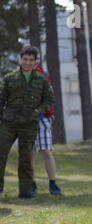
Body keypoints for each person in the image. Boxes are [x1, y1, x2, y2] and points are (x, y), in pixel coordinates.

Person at [0, 46, 54, 199]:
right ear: (20, 59)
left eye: (31, 60)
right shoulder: (10, 78)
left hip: (29, 124)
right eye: (25, 59)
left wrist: (38, 110)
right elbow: (1, 99)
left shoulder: (41, 80)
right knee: (1, 151)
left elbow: (49, 100)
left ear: (36, 61)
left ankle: (25, 191)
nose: (28, 63)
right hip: (8, 123)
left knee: (25, 157)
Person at [30, 49, 62, 196]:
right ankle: (31, 185)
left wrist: (44, 113)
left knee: (46, 151)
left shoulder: (44, 75)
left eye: (35, 59)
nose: (32, 62)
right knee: (29, 153)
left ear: (38, 60)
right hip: (26, 121)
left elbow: (50, 97)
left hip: (43, 119)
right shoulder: (18, 77)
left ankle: (52, 184)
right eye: (28, 58)